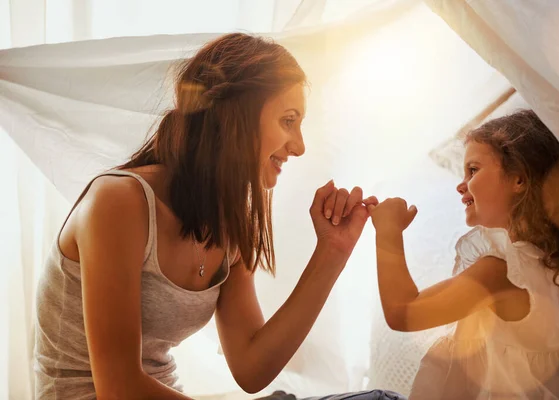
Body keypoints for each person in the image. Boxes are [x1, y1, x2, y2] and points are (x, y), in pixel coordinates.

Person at [34, 32, 371, 399]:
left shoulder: (228, 222)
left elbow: (251, 367)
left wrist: (332, 252)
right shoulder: (119, 202)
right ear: (234, 116)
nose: (299, 146)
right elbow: (120, 389)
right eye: (288, 120)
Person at [365, 109, 559, 398]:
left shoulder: (501, 270)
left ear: (519, 179)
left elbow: (403, 313)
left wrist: (388, 232)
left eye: (473, 170)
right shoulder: (544, 260)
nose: (460, 184)